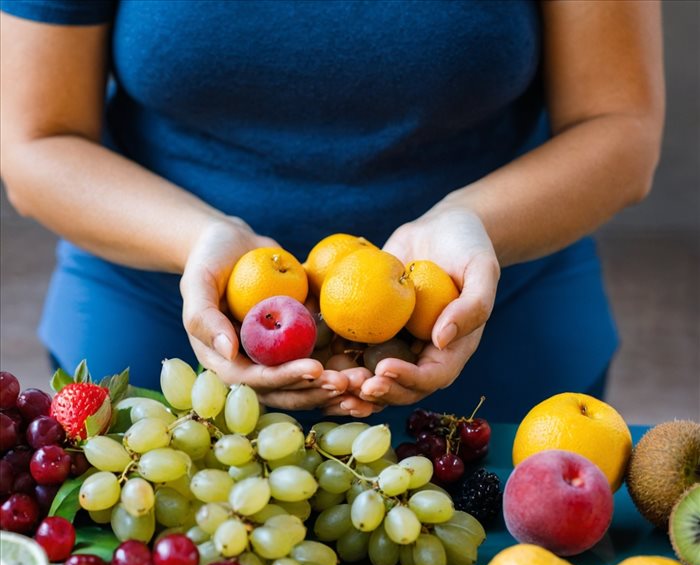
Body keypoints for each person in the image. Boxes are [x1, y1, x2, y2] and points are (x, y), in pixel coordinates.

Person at [0, 1, 663, 423]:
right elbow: (36, 140)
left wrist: (472, 220)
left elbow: (620, 125)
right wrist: (200, 240)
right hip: (158, 336)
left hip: (487, 328)